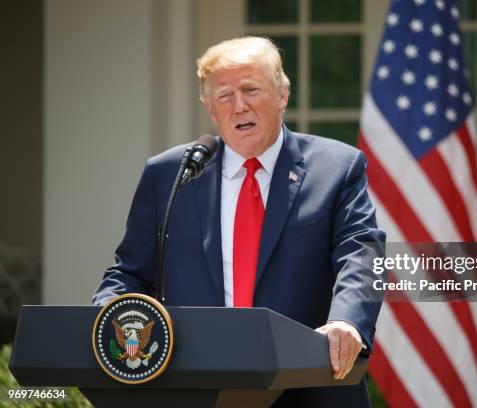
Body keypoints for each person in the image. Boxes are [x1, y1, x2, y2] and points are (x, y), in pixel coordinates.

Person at [93, 36, 385, 407]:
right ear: (210, 109)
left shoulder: (337, 167)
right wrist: (105, 313)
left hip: (309, 386)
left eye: (251, 89)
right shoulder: (170, 174)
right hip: (198, 388)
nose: (239, 106)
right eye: (224, 96)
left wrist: (348, 322)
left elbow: (364, 257)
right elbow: (130, 272)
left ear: (282, 94)